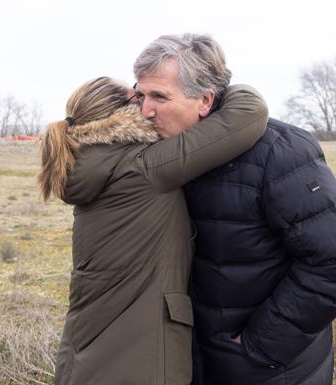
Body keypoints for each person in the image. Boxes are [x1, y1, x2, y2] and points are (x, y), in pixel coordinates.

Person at [133, 34, 336, 385]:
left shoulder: (281, 153)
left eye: (159, 97)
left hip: (264, 369)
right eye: (141, 95)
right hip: (191, 361)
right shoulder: (161, 158)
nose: (145, 110)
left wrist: (260, 346)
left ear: (205, 100)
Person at [39, 76, 267, 385]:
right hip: (142, 359)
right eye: (138, 97)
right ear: (124, 116)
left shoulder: (89, 165)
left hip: (86, 359)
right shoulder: (143, 167)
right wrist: (208, 86)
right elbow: (249, 113)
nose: (148, 107)